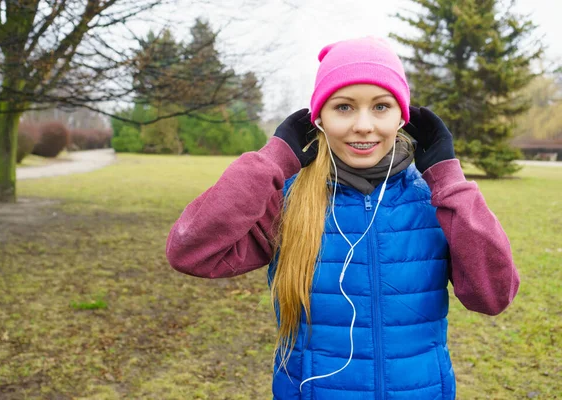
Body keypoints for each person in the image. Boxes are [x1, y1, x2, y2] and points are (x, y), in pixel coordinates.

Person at [165, 37, 520, 400]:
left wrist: (448, 179)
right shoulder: (289, 201)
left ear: (403, 117)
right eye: (344, 107)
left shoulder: (438, 201)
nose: (364, 125)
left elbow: (494, 296)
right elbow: (190, 251)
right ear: (317, 118)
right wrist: (271, 163)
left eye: (381, 107)